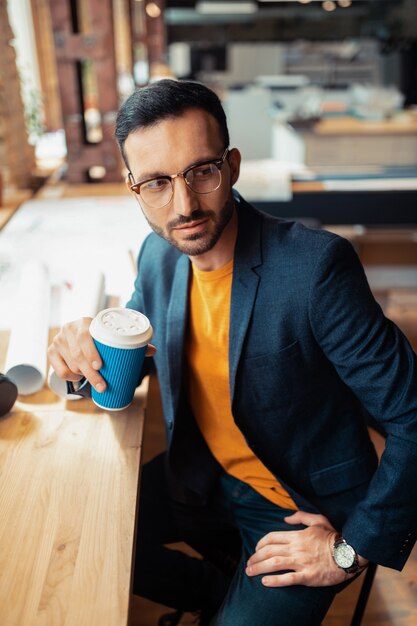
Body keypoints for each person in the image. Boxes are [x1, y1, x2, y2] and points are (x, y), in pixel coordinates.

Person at [48, 79, 417, 626]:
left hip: (301, 508)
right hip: (201, 477)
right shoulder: (157, 254)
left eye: (202, 171)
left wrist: (350, 548)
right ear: (134, 188)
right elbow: (143, 350)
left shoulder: (315, 269)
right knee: (79, 534)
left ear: (233, 165)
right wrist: (80, 357)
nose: (184, 205)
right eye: (156, 183)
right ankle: (219, 596)